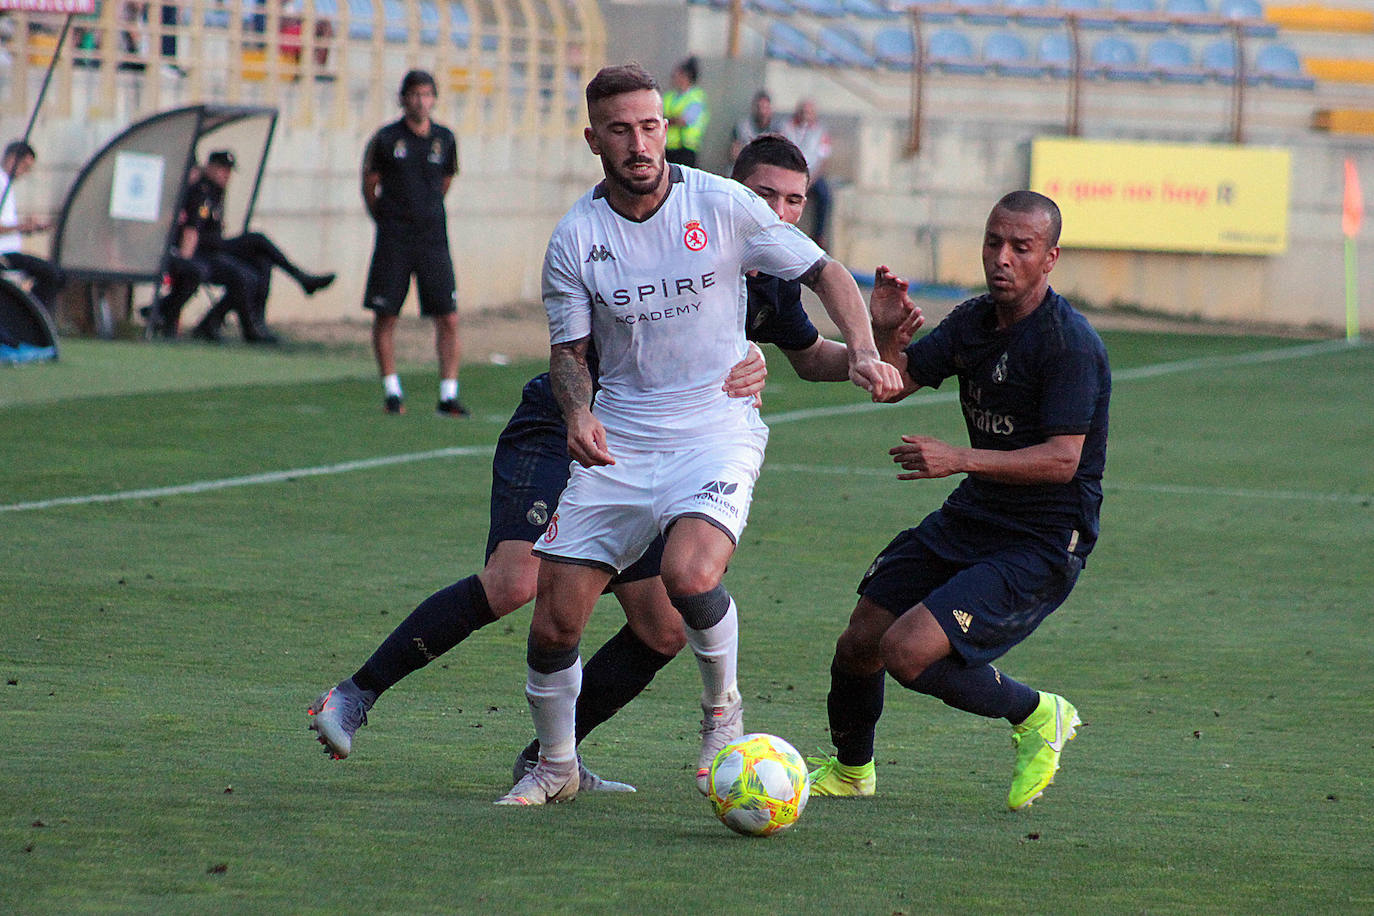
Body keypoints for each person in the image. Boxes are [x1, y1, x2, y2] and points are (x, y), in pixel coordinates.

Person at [307, 133, 914, 789]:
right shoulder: (667, 238)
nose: (780, 212)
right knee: (516, 581)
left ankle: (554, 761)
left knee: (659, 631)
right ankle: (355, 695)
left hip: (651, 449)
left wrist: (868, 348)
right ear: (733, 192)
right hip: (564, 425)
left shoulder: (771, 280)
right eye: (766, 195)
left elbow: (810, 358)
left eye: (795, 200)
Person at [495, 64, 902, 807]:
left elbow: (825, 271)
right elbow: (568, 355)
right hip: (622, 437)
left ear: (665, 129)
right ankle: (556, 766)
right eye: (620, 129)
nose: (640, 142)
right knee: (555, 619)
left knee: (689, 574)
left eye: (650, 126)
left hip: (716, 429)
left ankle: (722, 713)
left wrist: (867, 352)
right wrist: (579, 413)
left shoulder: (721, 204)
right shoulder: (577, 239)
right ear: (595, 139)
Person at [806, 190, 1111, 811]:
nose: (1001, 258)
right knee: (861, 639)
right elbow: (891, 386)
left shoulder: (1068, 345)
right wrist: (885, 334)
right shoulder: (974, 321)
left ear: (1049, 258)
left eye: (1020, 248)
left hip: (1043, 537)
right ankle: (851, 769)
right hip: (975, 514)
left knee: (906, 651)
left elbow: (1063, 461)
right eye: (992, 242)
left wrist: (959, 458)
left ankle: (1037, 715)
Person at [362, 69, 464, 417]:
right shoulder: (387, 139)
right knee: (386, 314)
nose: (421, 101)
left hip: (433, 238)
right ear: (403, 98)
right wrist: (387, 218)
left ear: (434, 99)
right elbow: (370, 184)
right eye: (415, 94)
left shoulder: (444, 139)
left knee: (448, 316)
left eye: (427, 94)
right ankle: (392, 391)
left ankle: (448, 395)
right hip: (395, 238)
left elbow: (445, 181)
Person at [152, 150, 335, 342]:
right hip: (205, 251)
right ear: (210, 167)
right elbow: (192, 231)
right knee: (256, 243)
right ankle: (299, 280)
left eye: (229, 170)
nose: (227, 175)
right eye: (223, 169)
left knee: (261, 261)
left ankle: (241, 325)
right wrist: (184, 262)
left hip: (214, 249)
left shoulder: (216, 192)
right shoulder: (202, 191)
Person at [0, 140, 63, 314]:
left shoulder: (6, 184)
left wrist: (27, 227)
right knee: (51, 275)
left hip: (10, 252)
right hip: (4, 255)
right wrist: (23, 226)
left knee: (53, 274)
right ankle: (32, 317)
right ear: (13, 159)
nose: (25, 173)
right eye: (25, 166)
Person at [780, 99, 833, 249]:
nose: (805, 115)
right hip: (791, 173)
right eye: (803, 111)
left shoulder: (821, 131)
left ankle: (819, 234)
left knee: (825, 195)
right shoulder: (787, 127)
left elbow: (823, 159)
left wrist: (810, 181)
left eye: (809, 112)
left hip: (812, 175)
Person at [662, 56, 708, 169]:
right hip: (667, 147)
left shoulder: (696, 97)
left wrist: (665, 120)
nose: (673, 78)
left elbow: (685, 120)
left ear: (685, 76)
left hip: (685, 148)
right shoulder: (669, 96)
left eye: (677, 75)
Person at [729, 89, 776, 164]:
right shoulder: (742, 126)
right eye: (759, 107)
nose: (762, 112)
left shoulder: (776, 129)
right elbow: (734, 155)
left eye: (765, 108)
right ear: (754, 108)